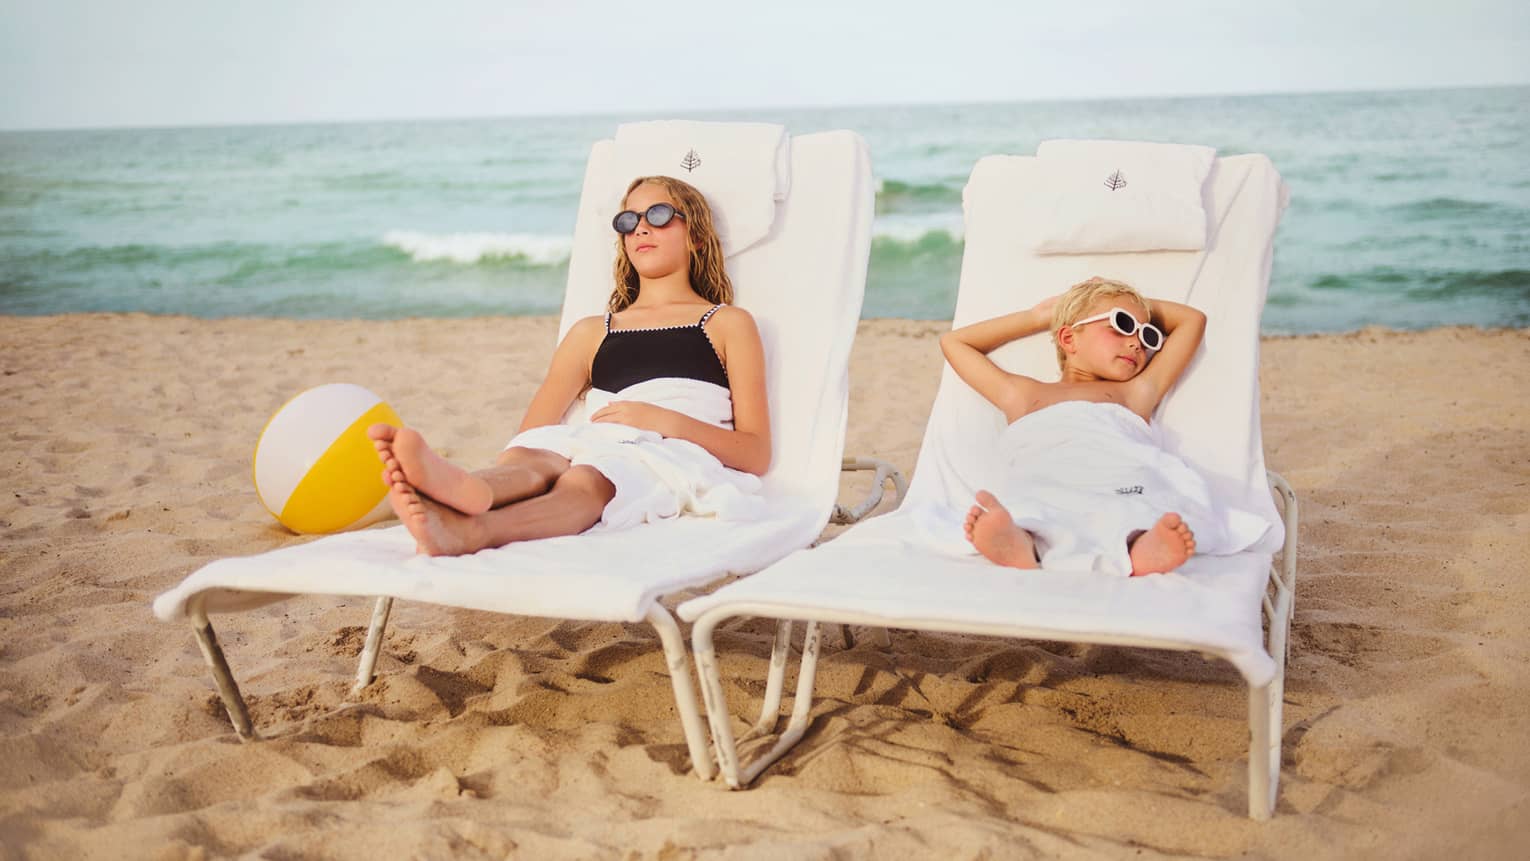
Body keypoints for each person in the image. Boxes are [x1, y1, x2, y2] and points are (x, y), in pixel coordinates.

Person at [368, 175, 771, 556]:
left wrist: (660, 419)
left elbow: (755, 453)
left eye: (660, 216)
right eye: (629, 221)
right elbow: (534, 433)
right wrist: (527, 460)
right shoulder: (592, 331)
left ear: (697, 237)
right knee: (537, 456)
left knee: (586, 478)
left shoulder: (726, 323)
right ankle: (469, 489)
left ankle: (476, 530)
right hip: (596, 436)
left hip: (668, 453)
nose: (641, 229)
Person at [937, 276, 1268, 575]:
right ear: (1068, 338)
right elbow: (955, 343)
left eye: (1147, 334)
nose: (1136, 342)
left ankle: (1141, 546)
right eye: (1121, 324)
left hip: (1117, 471)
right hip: (1048, 472)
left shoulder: (1133, 392)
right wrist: (1040, 317)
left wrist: (1131, 306)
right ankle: (1020, 541)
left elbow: (1192, 321)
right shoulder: (1026, 394)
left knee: (1140, 499)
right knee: (1034, 500)